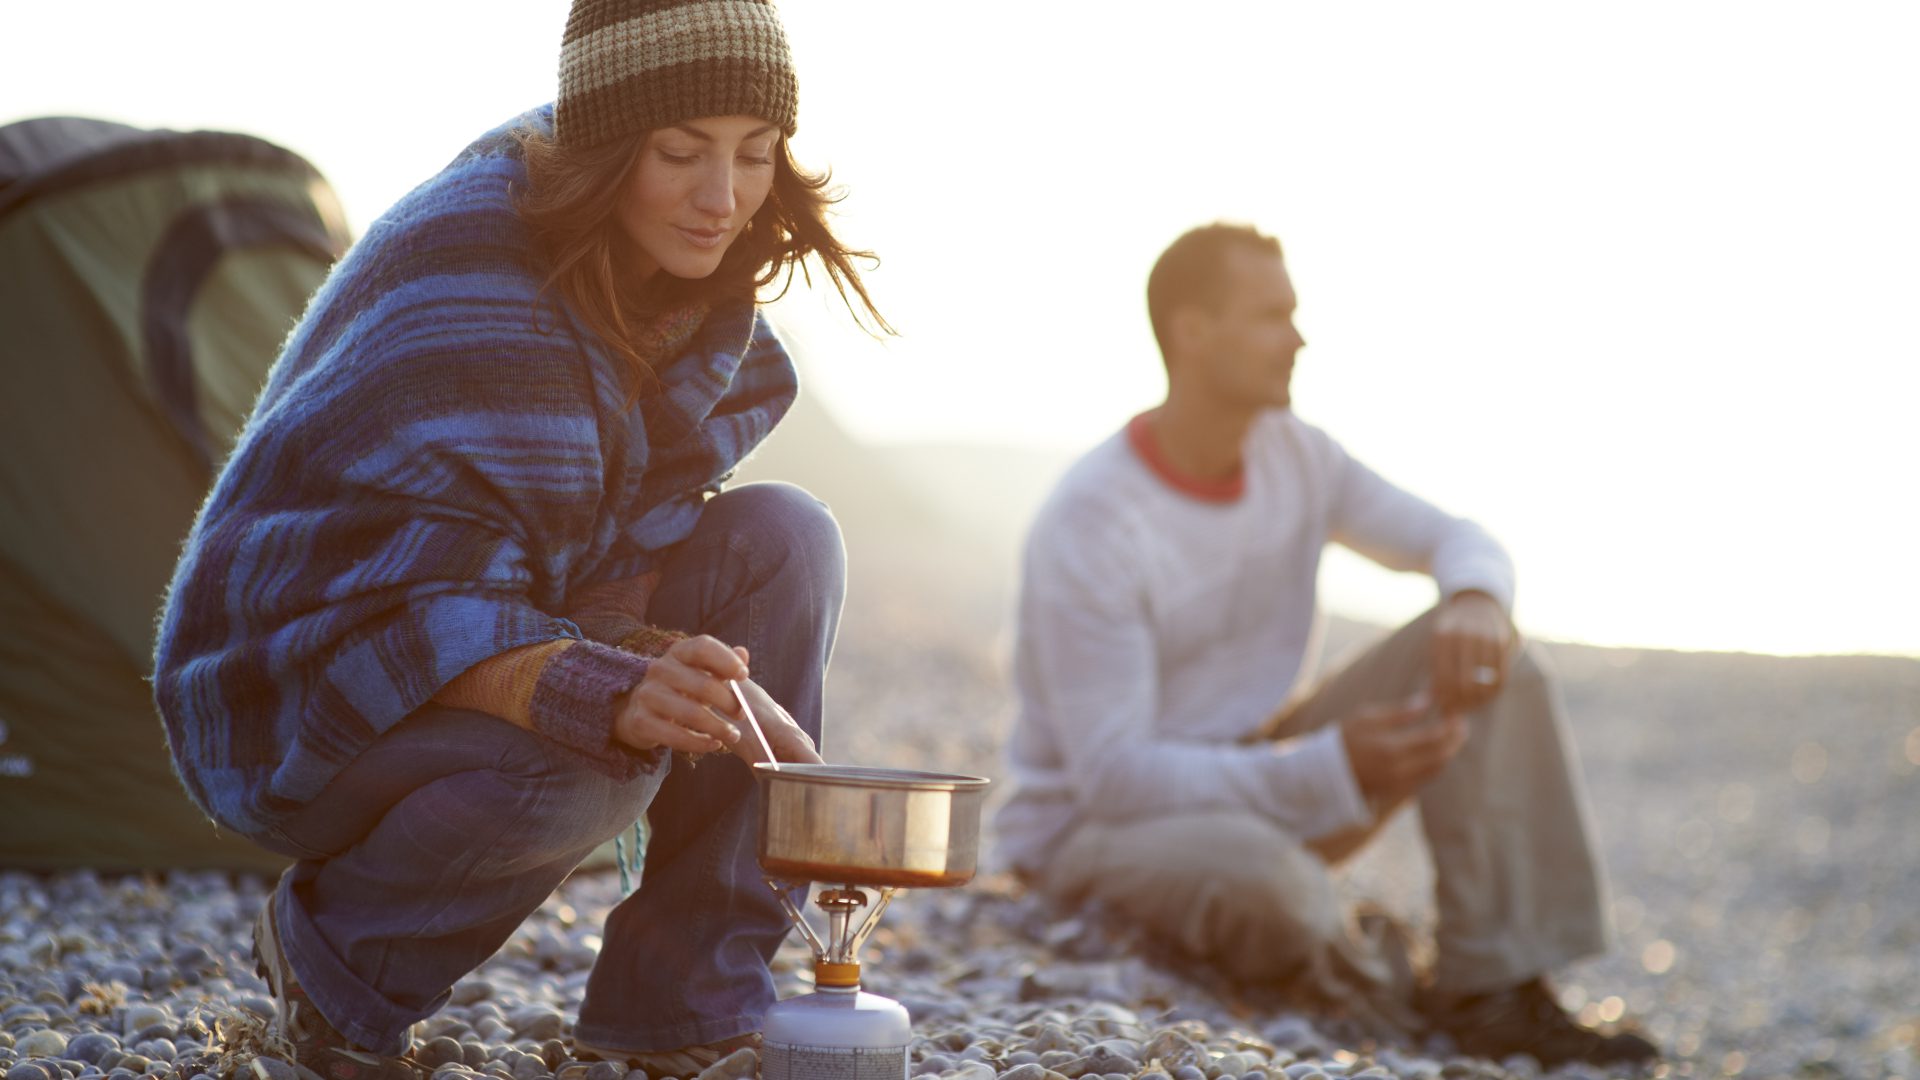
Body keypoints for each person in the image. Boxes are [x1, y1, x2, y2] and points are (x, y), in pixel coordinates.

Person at [152, 3, 883, 1078]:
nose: (723, 198)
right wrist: (616, 690)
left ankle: (681, 1004)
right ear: (603, 148)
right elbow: (417, 604)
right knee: (600, 760)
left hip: (472, 627)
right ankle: (337, 967)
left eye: (755, 153)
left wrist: (656, 657)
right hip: (303, 679)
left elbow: (583, 568)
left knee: (785, 540)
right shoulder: (484, 282)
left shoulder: (684, 293)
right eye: (681, 153)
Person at [995, 223, 1658, 1068]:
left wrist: (1477, 598)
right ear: (1192, 331)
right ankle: (1388, 977)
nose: (1299, 338)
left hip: (1256, 765)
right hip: (1095, 827)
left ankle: (1494, 985)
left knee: (1496, 656)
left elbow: (1457, 536)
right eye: (1273, 315)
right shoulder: (1093, 519)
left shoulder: (1298, 457)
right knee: (1275, 892)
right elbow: (1116, 776)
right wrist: (1335, 769)